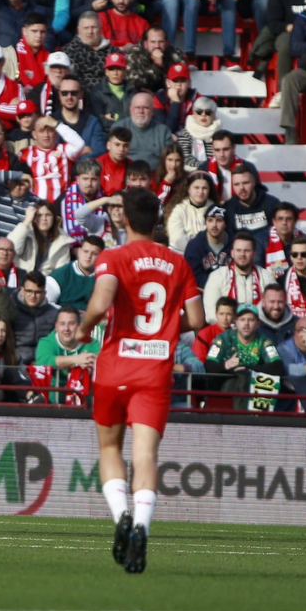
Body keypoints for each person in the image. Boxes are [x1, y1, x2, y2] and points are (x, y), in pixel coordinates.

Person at [79, 186, 203, 574]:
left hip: (116, 365)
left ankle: (122, 519)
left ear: (126, 219)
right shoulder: (178, 262)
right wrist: (165, 328)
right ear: (159, 220)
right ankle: (143, 528)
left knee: (109, 448)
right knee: (145, 454)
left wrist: (85, 329)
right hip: (156, 369)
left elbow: (101, 303)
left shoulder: (113, 256)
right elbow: (198, 320)